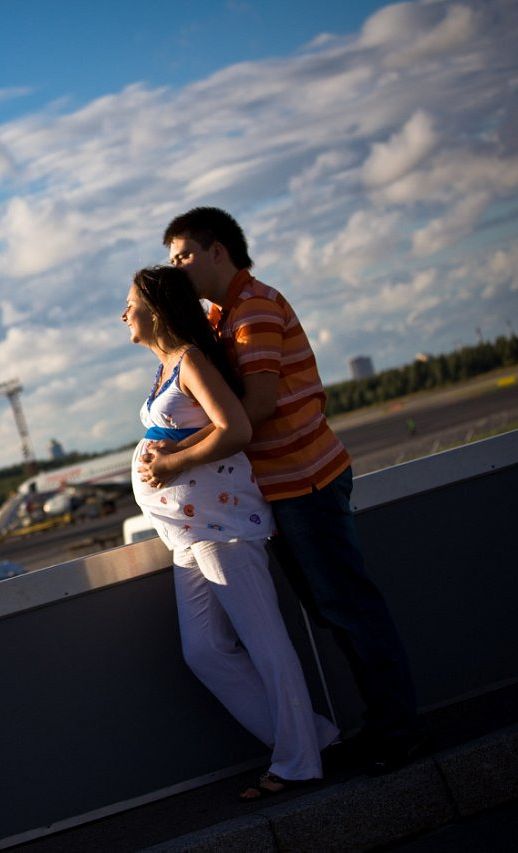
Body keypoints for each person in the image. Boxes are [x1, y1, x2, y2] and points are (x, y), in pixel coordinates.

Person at [147, 206, 427, 774]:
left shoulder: (253, 310)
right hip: (284, 490)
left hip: (306, 481)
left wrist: (174, 456)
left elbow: (253, 410)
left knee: (349, 609)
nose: (176, 268)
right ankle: (384, 726)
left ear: (217, 251)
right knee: (335, 609)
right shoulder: (225, 316)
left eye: (183, 256)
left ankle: (398, 733)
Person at [123, 265, 338, 800]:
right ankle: (310, 739)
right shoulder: (166, 367)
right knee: (204, 651)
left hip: (223, 529)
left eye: (131, 303)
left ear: (157, 309)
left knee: (268, 645)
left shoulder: (191, 360)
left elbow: (236, 428)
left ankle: (298, 763)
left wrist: (170, 463)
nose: (123, 314)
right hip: (190, 535)